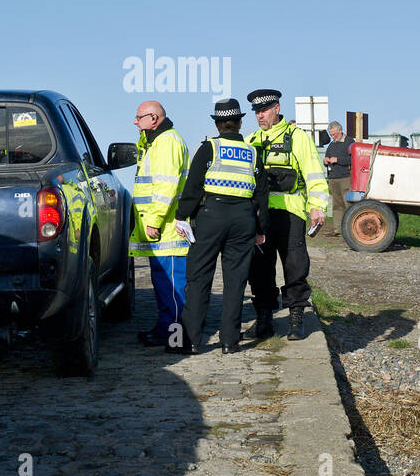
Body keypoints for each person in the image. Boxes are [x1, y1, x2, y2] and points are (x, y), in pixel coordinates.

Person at [174, 99, 269, 355]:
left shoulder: (209, 149)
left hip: (210, 218)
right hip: (243, 219)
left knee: (199, 279)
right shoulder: (252, 152)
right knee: (235, 282)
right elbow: (261, 195)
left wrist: (182, 216)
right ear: (239, 123)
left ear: (217, 124)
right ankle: (229, 341)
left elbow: (193, 187)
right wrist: (261, 229)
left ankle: (192, 341)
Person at [246, 89, 329, 341]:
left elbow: (314, 173)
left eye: (264, 110)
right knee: (259, 269)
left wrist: (317, 206)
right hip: (261, 215)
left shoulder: (298, 137)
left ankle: (296, 318)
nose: (260, 116)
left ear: (277, 108)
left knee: (295, 265)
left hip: (291, 212)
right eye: (257, 112)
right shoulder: (250, 140)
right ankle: (264, 320)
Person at [129, 101, 191, 348]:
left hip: (167, 231)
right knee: (164, 287)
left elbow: (166, 188)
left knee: (173, 292)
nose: (135, 122)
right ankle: (165, 331)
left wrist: (153, 221)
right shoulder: (157, 142)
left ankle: (176, 340)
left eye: (139, 117)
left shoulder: (167, 142)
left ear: (153, 118)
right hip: (161, 233)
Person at [323, 121, 354, 235]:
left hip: (345, 178)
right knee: (337, 205)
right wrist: (325, 161)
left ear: (340, 130)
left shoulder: (349, 142)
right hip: (333, 178)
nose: (332, 137)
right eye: (331, 135)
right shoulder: (331, 145)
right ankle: (338, 229)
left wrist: (338, 160)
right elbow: (327, 156)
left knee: (348, 204)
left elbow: (353, 160)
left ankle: (351, 230)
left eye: (334, 134)